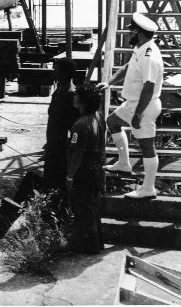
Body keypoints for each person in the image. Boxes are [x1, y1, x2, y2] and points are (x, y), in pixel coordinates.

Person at [98, 12, 163, 199]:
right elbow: (127, 67)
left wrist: (138, 114)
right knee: (112, 121)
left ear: (140, 34)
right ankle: (124, 162)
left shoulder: (148, 56)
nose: (129, 34)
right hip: (133, 103)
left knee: (147, 146)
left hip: (144, 106)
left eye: (131, 32)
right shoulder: (141, 48)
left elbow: (149, 87)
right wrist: (109, 82)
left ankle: (148, 188)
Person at [66, 85, 105, 254]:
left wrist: (70, 176)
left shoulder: (80, 125)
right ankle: (96, 243)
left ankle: (88, 247)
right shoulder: (98, 117)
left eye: (77, 97)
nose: (74, 98)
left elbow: (77, 153)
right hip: (96, 168)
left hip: (84, 172)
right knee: (92, 208)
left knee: (83, 209)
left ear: (83, 102)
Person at [43, 57, 80, 193]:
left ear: (64, 74)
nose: (54, 73)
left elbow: (74, 127)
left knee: (56, 183)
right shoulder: (59, 90)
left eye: (56, 70)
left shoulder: (71, 95)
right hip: (53, 143)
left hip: (62, 148)